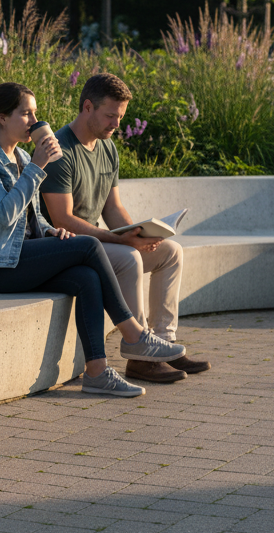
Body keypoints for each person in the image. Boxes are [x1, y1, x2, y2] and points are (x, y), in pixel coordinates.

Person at [0, 82, 185, 398]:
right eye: (26, 114)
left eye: (35, 113)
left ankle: (96, 373)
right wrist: (38, 166)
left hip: (17, 256)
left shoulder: (21, 157)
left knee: (86, 277)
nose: (35, 121)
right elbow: (4, 213)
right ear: (2, 117)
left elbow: (31, 216)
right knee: (88, 245)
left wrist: (52, 233)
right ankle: (134, 334)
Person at [40, 73, 211, 384]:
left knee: (170, 252)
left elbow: (113, 209)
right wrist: (122, 241)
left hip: (100, 243)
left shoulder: (107, 148)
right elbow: (62, 219)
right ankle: (140, 356)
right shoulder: (60, 152)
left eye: (120, 117)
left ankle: (164, 345)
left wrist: (140, 234)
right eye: (110, 116)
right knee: (129, 258)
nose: (116, 124)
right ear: (87, 107)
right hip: (70, 246)